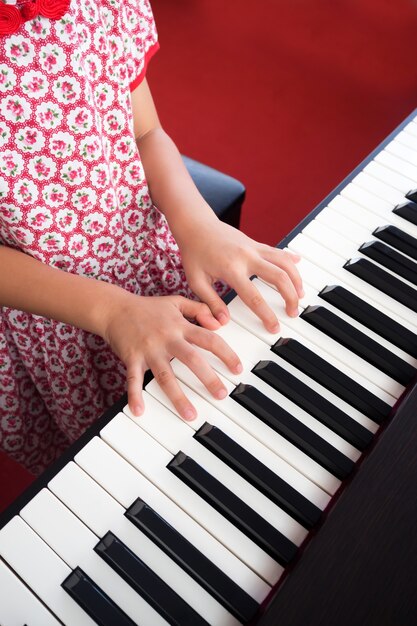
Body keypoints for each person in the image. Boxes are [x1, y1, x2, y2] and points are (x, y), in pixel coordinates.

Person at [0, 0, 303, 475]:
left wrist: (198, 223)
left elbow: (145, 132)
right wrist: (113, 310)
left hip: (144, 256)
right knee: (123, 464)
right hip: (54, 313)